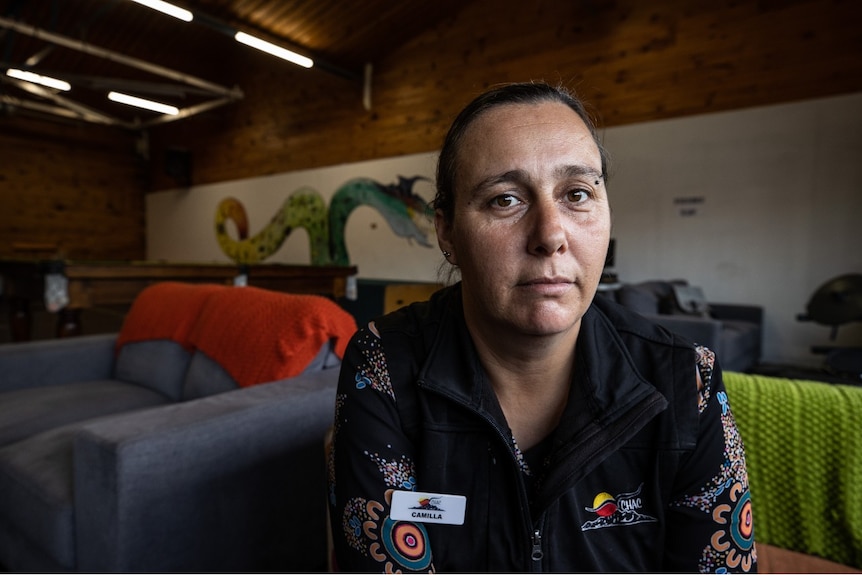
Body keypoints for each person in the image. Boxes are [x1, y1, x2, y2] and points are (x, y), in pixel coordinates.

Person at [327, 81, 756, 573]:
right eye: (505, 200)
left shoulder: (685, 380)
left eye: (577, 193)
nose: (550, 235)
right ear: (447, 232)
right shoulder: (383, 365)